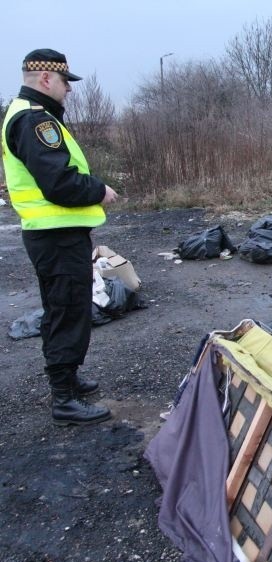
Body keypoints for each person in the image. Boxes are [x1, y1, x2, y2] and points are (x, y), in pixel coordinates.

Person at [1, 49, 119, 426]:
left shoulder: (29, 115)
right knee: (68, 310)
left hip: (53, 235)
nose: (69, 90)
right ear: (47, 79)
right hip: (56, 235)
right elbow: (59, 183)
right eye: (66, 82)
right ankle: (64, 398)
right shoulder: (35, 121)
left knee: (62, 307)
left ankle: (67, 380)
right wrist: (98, 190)